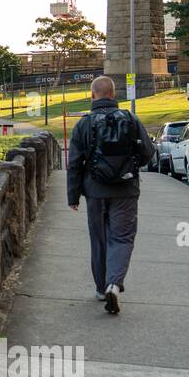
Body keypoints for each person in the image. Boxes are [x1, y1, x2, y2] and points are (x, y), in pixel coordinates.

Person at [67, 76, 155, 315]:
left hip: (94, 191)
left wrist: (73, 196)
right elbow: (148, 153)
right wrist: (130, 166)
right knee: (123, 237)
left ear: (92, 95)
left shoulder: (83, 125)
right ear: (114, 95)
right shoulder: (131, 119)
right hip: (126, 190)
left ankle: (100, 288)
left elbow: (74, 162)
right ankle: (114, 284)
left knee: (99, 239)